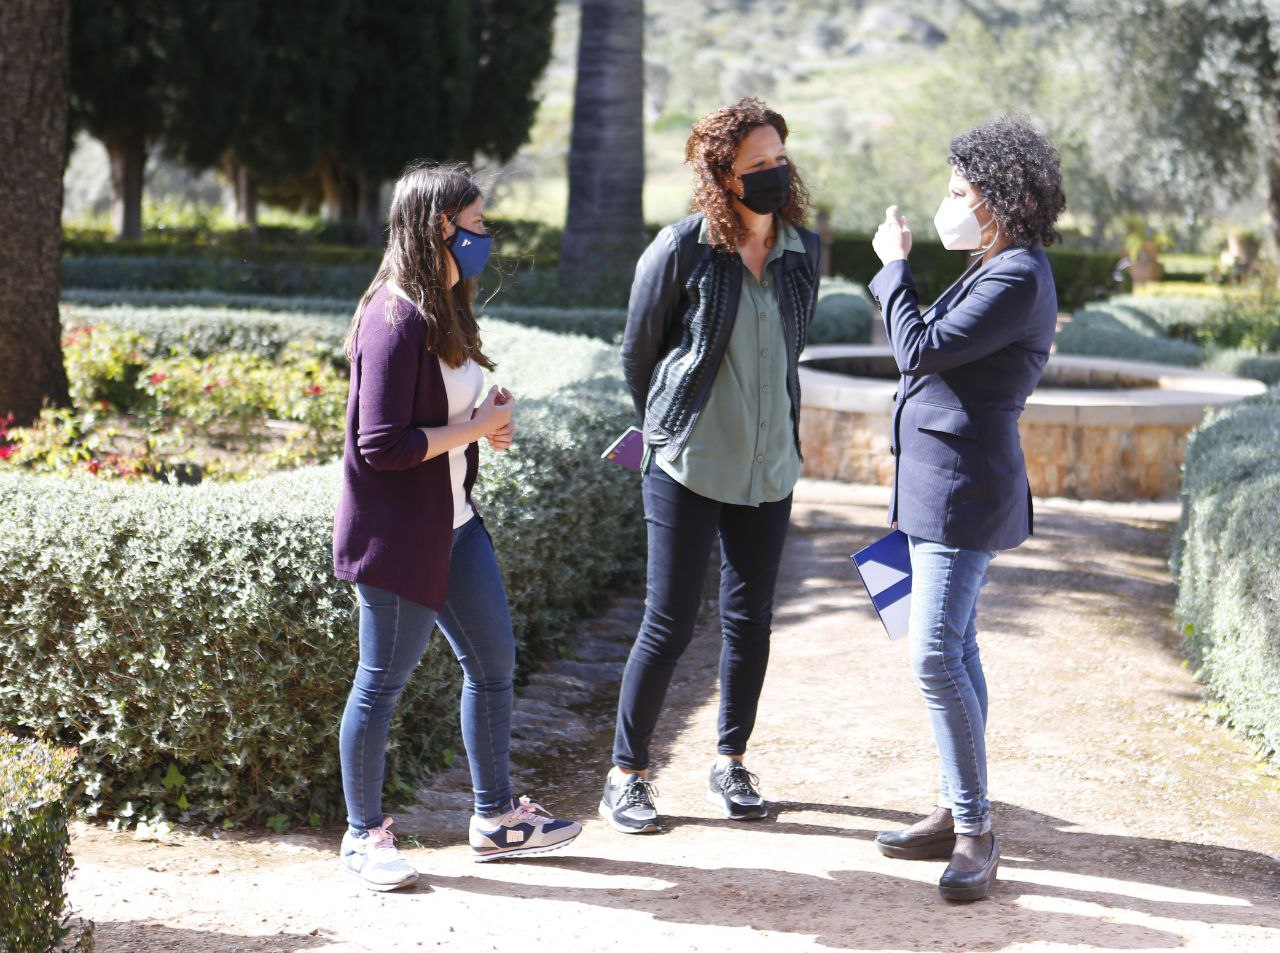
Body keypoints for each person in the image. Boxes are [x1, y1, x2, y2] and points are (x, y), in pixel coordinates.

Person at [332, 162, 581, 891]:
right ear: (441, 225)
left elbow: (446, 414)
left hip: (456, 524)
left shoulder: (444, 305)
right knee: (381, 683)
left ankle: (497, 818)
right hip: (399, 537)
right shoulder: (394, 315)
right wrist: (473, 425)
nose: (485, 234)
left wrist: (485, 420)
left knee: (495, 664)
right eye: (476, 222)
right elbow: (382, 444)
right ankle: (362, 834)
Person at [602, 98, 821, 833]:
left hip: (768, 468)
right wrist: (663, 427)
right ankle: (626, 775)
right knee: (668, 619)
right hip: (687, 462)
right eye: (756, 165)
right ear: (722, 174)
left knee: (750, 619)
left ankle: (730, 762)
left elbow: (786, 353)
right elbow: (641, 352)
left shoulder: (803, 252)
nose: (773, 174)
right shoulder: (683, 249)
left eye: (778, 160)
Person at [866, 117, 1066, 901]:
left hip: (961, 488)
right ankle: (958, 809)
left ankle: (977, 831)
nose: (948, 203)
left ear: (1000, 197)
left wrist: (892, 268)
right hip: (933, 484)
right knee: (959, 645)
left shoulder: (1015, 274)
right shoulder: (996, 262)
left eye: (959, 191)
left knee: (934, 655)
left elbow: (918, 347)